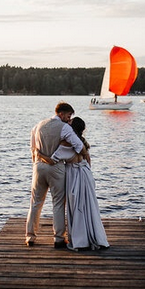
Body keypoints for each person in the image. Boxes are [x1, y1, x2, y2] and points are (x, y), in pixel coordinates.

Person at [26, 102, 85, 248]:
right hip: (56, 168)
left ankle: (30, 236)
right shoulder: (64, 127)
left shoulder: (38, 125)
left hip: (39, 166)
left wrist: (37, 161)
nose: (69, 119)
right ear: (61, 114)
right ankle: (58, 238)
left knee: (35, 202)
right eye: (68, 116)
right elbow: (78, 145)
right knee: (58, 203)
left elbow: (32, 147)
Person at [51, 117, 109, 251]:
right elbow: (88, 160)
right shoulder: (83, 143)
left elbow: (55, 158)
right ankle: (94, 236)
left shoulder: (66, 143)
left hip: (73, 173)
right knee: (89, 205)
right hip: (86, 173)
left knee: (76, 206)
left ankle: (80, 239)